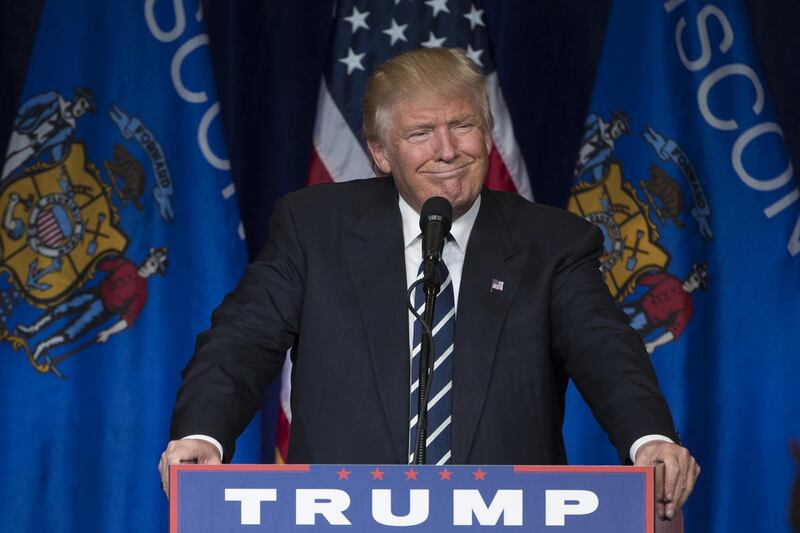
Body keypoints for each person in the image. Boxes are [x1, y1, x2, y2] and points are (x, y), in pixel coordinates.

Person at [158, 48, 699, 521]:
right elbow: (242, 340)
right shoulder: (313, 228)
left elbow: (606, 351)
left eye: (463, 125)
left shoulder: (552, 242)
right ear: (380, 153)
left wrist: (648, 440)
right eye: (420, 133)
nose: (447, 149)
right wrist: (203, 434)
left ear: (487, 134)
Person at [17, 247, 168, 362]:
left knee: (73, 330)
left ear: (155, 270)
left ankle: (43, 345)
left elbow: (127, 319)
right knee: (61, 308)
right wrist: (93, 253)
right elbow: (98, 264)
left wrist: (108, 332)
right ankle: (33, 329)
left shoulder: (142, 293)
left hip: (103, 310)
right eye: (150, 258)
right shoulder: (125, 264)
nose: (148, 262)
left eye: (153, 263)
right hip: (94, 293)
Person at [2, 88, 96, 180]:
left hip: (31, 149)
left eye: (85, 109)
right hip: (22, 134)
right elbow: (31, 104)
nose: (81, 110)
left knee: (7, 169)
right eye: (82, 103)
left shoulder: (69, 130)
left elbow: (56, 150)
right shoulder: (54, 99)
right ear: (76, 98)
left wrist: (62, 177)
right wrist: (18, 120)